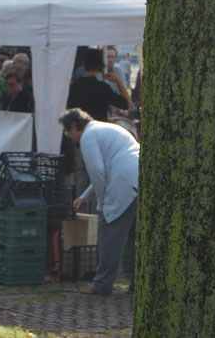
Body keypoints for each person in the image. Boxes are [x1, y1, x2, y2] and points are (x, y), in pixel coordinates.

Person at [61, 108, 139, 296]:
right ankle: (138, 283)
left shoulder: (88, 137)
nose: (68, 136)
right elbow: (106, 169)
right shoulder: (105, 128)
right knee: (136, 237)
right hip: (138, 175)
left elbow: (97, 172)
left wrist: (102, 204)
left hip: (122, 181)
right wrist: (85, 196)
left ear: (74, 127)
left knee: (109, 232)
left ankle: (101, 284)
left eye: (67, 131)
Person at [67, 48, 132, 121]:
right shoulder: (103, 88)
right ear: (102, 65)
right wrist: (118, 81)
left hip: (78, 126)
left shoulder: (74, 86)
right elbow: (127, 104)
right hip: (98, 126)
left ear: (84, 64)